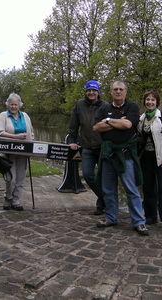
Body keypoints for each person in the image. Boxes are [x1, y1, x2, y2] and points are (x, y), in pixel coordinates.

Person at [93, 79, 149, 236]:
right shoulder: (104, 108)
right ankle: (111, 217)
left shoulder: (132, 107)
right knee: (108, 189)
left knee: (131, 189)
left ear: (125, 92)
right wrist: (116, 121)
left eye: (121, 89)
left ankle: (139, 222)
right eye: (115, 89)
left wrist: (108, 121)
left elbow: (128, 125)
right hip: (108, 154)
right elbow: (96, 127)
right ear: (111, 92)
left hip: (126, 155)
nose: (118, 91)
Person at [138, 90, 162, 235]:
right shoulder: (142, 118)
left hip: (161, 158)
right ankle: (151, 216)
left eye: (152, 100)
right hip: (146, 158)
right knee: (148, 188)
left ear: (157, 103)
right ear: (144, 102)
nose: (150, 102)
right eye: (147, 100)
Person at [67, 80, 107, 215]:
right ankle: (106, 199)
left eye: (94, 90)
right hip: (86, 147)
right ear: (86, 91)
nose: (91, 92)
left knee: (102, 177)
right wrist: (71, 140)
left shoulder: (105, 106)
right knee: (88, 174)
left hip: (102, 147)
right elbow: (74, 125)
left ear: (98, 92)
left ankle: (101, 205)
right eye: (89, 90)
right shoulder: (79, 105)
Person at [0, 93, 34, 211]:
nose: (14, 107)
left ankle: (16, 200)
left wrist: (31, 146)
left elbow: (31, 132)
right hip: (9, 152)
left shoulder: (25, 116)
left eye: (16, 105)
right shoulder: (3, 115)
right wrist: (15, 137)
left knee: (20, 178)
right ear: (8, 105)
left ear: (19, 105)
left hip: (23, 152)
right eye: (12, 104)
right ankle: (8, 198)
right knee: (11, 179)